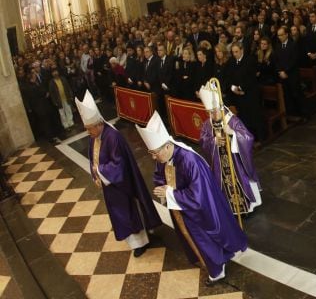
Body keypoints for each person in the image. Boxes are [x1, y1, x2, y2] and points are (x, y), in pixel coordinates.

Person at [138, 111, 247, 286]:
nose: (153, 157)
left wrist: (170, 194)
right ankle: (212, 261)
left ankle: (217, 272)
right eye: (151, 153)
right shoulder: (164, 157)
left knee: (204, 239)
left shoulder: (189, 161)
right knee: (194, 240)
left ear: (167, 146)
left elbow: (198, 195)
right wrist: (163, 187)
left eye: (154, 153)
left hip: (197, 211)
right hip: (180, 207)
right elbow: (159, 175)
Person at [75, 90, 162, 257]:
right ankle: (137, 239)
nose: (88, 132)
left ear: (98, 124)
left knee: (128, 212)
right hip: (110, 185)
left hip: (122, 184)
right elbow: (93, 156)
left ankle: (141, 242)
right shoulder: (95, 135)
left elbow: (118, 164)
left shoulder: (113, 136)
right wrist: (95, 172)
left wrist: (99, 171)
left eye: (89, 129)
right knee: (120, 213)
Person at [199, 82, 262, 216]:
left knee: (238, 180)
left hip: (235, 163)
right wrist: (214, 141)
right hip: (219, 164)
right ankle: (229, 208)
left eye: (215, 111)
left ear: (221, 107)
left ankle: (246, 207)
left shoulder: (232, 120)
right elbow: (202, 142)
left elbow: (248, 137)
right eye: (210, 112)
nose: (213, 114)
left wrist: (233, 133)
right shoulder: (206, 125)